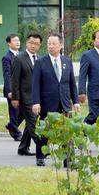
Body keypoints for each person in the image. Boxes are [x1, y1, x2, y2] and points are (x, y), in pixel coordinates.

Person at [32, 33, 80, 167]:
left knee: (67, 132)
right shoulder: (40, 62)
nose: (51, 46)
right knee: (45, 131)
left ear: (61, 45)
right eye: (49, 44)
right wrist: (36, 102)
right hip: (47, 102)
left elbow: (72, 84)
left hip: (64, 103)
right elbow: (35, 84)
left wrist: (75, 101)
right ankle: (40, 156)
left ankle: (68, 160)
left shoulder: (67, 61)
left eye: (54, 44)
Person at [11, 34, 43, 165]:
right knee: (33, 124)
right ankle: (43, 148)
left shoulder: (40, 59)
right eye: (31, 43)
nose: (33, 45)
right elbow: (15, 80)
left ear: (39, 45)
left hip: (38, 98)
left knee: (30, 124)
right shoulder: (19, 58)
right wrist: (15, 97)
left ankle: (23, 147)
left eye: (36, 43)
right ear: (27, 43)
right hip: (25, 97)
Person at [2, 33, 23, 141]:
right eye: (15, 40)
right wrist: (10, 90)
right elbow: (7, 75)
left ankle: (11, 126)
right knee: (14, 112)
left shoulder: (22, 55)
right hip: (12, 90)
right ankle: (16, 133)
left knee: (23, 111)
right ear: (9, 43)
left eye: (18, 40)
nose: (18, 42)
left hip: (23, 89)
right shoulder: (7, 58)